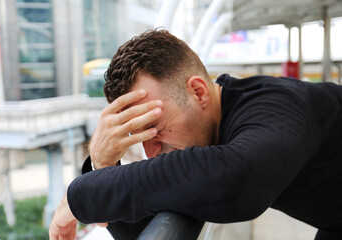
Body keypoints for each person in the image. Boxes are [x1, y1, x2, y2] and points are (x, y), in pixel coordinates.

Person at [49, 30, 342, 240]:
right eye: (141, 139)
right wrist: (102, 165)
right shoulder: (207, 130)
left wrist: (83, 194)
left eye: (157, 129)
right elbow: (140, 232)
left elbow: (237, 182)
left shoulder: (275, 106)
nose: (152, 152)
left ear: (198, 92)